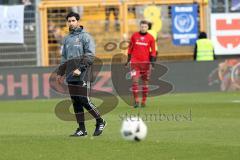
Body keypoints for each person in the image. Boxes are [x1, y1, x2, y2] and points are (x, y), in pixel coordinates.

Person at [56, 12, 106, 137]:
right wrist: (61, 72)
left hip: (83, 73)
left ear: (77, 21)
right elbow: (64, 57)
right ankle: (81, 129)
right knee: (76, 102)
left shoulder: (86, 37)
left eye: (73, 20)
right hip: (70, 75)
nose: (71, 23)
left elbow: (90, 55)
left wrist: (81, 68)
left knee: (84, 100)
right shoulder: (67, 39)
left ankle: (100, 121)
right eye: (69, 21)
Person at [126, 20, 156, 108]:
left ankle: (143, 101)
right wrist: (128, 59)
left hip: (145, 64)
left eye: (145, 27)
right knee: (135, 82)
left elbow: (153, 51)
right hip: (135, 63)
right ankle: (136, 101)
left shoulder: (151, 38)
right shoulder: (134, 36)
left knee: (145, 83)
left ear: (147, 28)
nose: (143, 28)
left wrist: (152, 63)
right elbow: (130, 48)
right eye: (142, 27)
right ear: (140, 27)